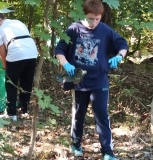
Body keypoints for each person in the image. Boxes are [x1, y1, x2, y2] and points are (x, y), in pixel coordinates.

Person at [54, 0, 128, 159]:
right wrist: (65, 64)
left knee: (101, 114)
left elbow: (122, 44)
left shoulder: (106, 31)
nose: (94, 22)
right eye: (90, 18)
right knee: (78, 114)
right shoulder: (74, 29)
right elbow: (59, 49)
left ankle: (107, 152)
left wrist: (119, 56)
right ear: (84, 15)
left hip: (99, 80)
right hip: (79, 81)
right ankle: (76, 145)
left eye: (97, 19)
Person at [0, 13, 38, 121]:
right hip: (32, 52)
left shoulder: (0, 31)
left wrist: (6, 68)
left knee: (11, 84)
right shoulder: (18, 22)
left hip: (16, 53)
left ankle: (12, 114)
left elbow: (2, 54)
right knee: (26, 82)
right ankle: (24, 111)